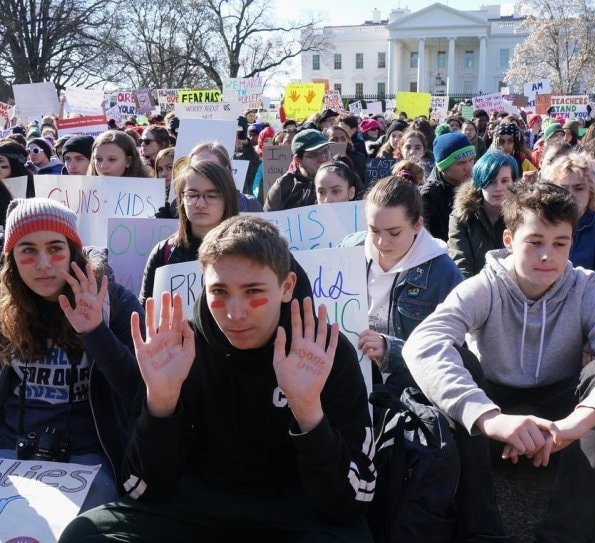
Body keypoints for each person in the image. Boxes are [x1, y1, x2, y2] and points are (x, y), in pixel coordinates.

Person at [60, 216, 376, 542]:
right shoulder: (180, 349)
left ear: (286, 286)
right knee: (85, 534)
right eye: (220, 291)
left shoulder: (323, 353)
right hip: (195, 510)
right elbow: (142, 488)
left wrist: (308, 410)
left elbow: (350, 504)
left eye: (253, 291)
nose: (234, 312)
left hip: (297, 516)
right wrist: (161, 402)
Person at [403, 182, 595, 542]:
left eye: (560, 243)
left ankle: (567, 532)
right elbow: (423, 342)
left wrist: (577, 423)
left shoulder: (585, 287)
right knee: (455, 363)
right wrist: (488, 418)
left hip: (562, 423)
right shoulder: (485, 286)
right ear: (510, 241)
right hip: (494, 417)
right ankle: (481, 530)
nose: (548, 256)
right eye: (535, 242)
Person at [0, 198, 144, 512]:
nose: (43, 263)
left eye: (55, 248)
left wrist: (96, 333)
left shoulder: (114, 304)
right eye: (28, 251)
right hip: (9, 451)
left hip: (88, 458)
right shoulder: (4, 309)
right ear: (11, 258)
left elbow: (140, 394)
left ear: (73, 252)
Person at [340, 175, 463, 388]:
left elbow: (456, 351)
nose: (381, 242)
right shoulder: (349, 250)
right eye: (374, 230)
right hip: (351, 382)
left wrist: (392, 350)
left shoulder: (444, 273)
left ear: (418, 225)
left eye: (394, 233)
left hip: (411, 391)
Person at [139, 160, 240, 306]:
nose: (200, 204)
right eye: (192, 195)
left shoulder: (247, 251)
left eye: (211, 196)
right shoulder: (164, 252)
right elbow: (145, 310)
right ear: (181, 199)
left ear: (227, 199)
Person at [541, 152, 595, 283]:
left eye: (579, 188)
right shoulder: (541, 224)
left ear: (591, 192)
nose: (570, 195)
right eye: (563, 188)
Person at [448, 150, 518, 278]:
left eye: (505, 181)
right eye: (490, 181)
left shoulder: (523, 215)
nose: (498, 188)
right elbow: (460, 264)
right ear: (479, 183)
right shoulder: (462, 216)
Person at [420, 132, 476, 241]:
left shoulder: (479, 185)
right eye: (461, 163)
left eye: (471, 160)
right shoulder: (428, 196)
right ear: (443, 166)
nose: (469, 168)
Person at [264, 129, 330, 211]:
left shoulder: (342, 177)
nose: (323, 158)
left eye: (326, 151)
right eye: (314, 155)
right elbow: (269, 220)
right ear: (297, 160)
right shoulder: (283, 186)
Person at [87, 130, 151, 177]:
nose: (103, 166)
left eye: (112, 159)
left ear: (128, 161)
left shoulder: (147, 191)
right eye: (99, 159)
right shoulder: (85, 190)